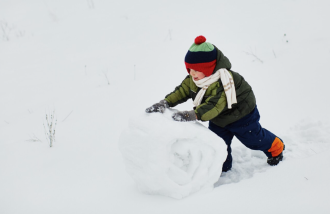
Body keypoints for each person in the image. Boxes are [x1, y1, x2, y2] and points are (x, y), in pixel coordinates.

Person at [145, 35, 285, 172]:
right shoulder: (194, 79)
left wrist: (191, 115)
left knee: (253, 139)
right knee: (218, 144)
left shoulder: (223, 81)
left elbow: (214, 106)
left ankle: (276, 147)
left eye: (196, 70)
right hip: (219, 117)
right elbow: (181, 91)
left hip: (241, 114)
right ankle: (222, 167)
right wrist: (165, 102)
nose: (191, 73)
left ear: (208, 69)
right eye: (189, 69)